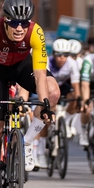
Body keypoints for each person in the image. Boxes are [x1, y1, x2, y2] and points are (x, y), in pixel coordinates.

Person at [0, 0, 59, 188]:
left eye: (24, 23)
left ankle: (27, 142)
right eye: (14, 23)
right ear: (5, 20)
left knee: (53, 92)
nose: (19, 28)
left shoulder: (36, 31)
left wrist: (45, 104)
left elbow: (40, 74)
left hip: (23, 67)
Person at [36, 38, 81, 168]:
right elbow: (43, 82)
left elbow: (76, 84)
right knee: (46, 117)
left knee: (74, 97)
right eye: (59, 54)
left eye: (65, 55)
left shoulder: (72, 63)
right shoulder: (47, 62)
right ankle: (41, 152)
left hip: (63, 86)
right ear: (54, 54)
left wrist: (79, 99)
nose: (62, 58)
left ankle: (65, 122)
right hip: (49, 87)